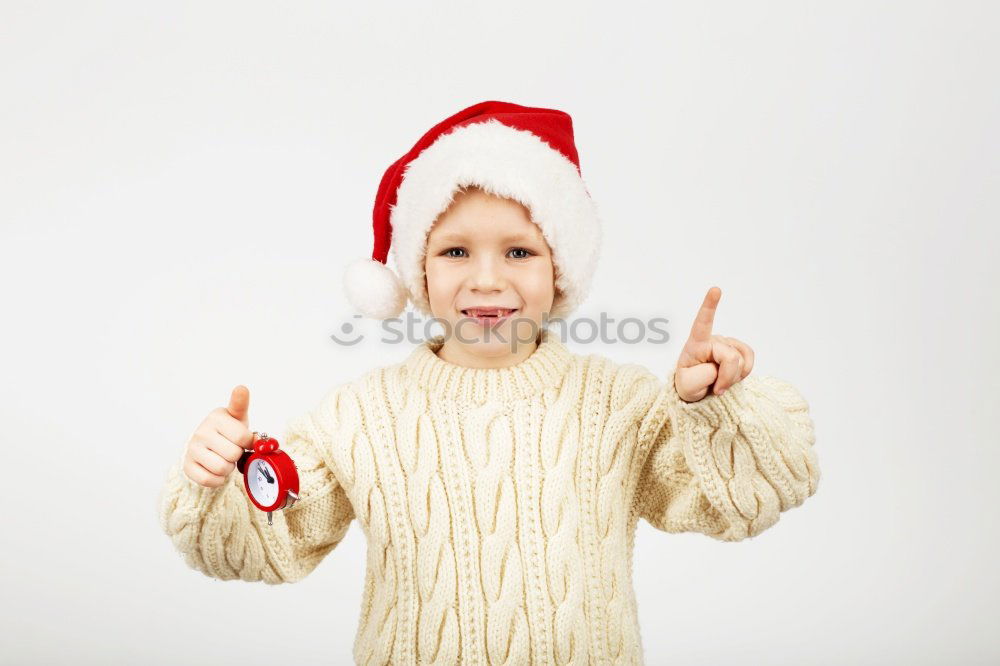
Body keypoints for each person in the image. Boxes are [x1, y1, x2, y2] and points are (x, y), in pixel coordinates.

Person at [157, 100, 821, 665]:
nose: (485, 279)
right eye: (454, 251)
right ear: (416, 271)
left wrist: (714, 408)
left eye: (519, 251)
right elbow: (260, 548)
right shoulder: (362, 417)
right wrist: (219, 478)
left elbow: (747, 501)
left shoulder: (620, 405)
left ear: (560, 268)